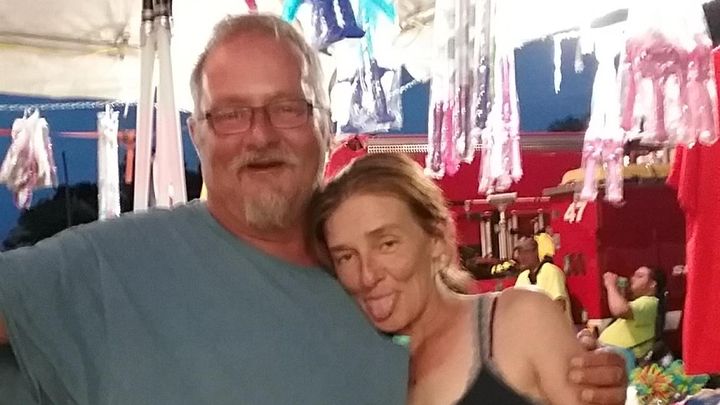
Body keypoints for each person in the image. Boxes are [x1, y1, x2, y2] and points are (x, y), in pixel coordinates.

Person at [0, 14, 625, 404]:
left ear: (325, 125)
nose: (261, 135)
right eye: (232, 113)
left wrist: (589, 376)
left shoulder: (366, 292)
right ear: (198, 134)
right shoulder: (112, 263)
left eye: (287, 108)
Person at [310, 153, 627, 405]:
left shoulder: (518, 321)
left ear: (437, 240)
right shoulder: (362, 369)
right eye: (346, 257)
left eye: (387, 244)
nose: (367, 275)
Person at [599, 267, 667, 372]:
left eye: (639, 276)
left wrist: (611, 285)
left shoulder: (650, 302)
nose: (632, 279)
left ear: (652, 284)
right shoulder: (637, 303)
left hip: (622, 356)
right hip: (611, 353)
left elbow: (620, 310)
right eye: (634, 275)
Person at [514, 237, 573, 322]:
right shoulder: (522, 277)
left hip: (554, 327)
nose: (521, 257)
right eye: (519, 253)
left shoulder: (551, 271)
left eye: (525, 252)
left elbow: (559, 306)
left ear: (535, 252)